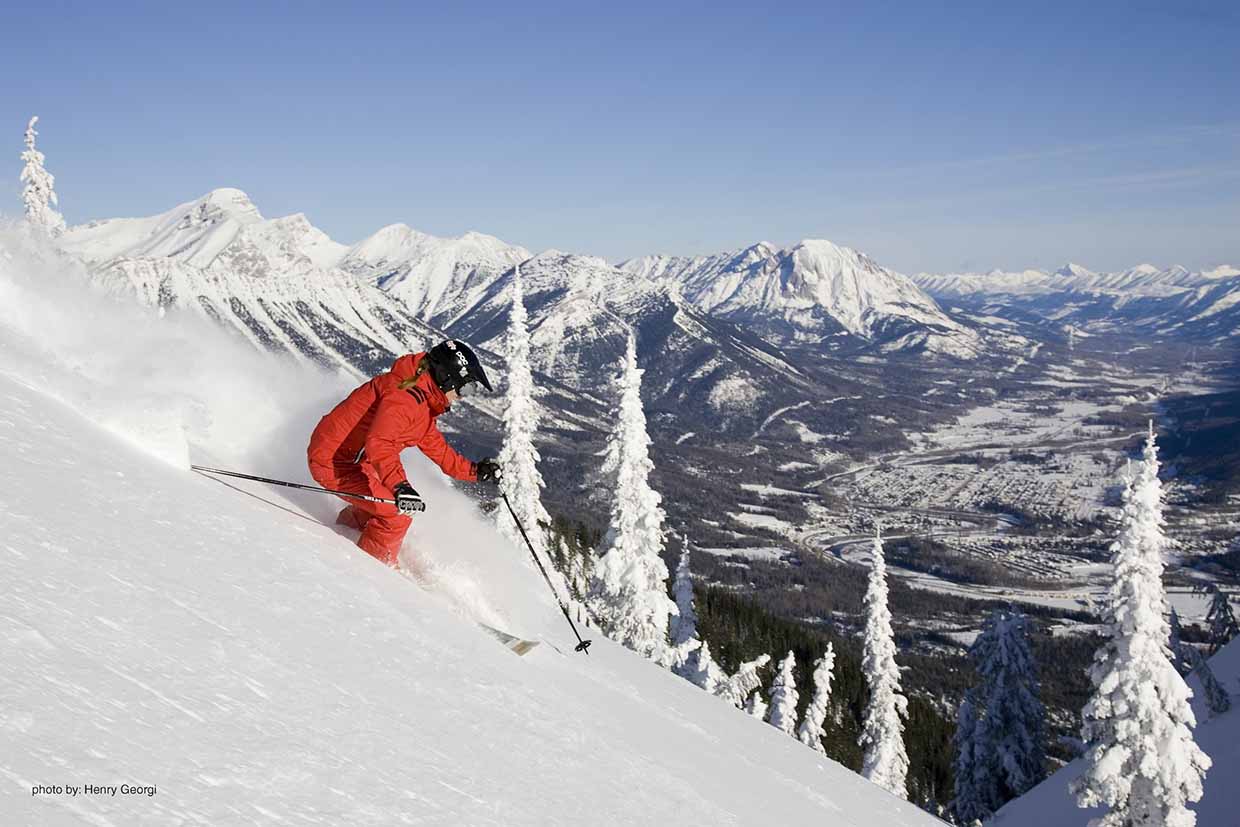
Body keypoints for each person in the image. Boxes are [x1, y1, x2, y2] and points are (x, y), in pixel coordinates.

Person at [307, 340, 503, 567]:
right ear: (447, 378)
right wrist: (400, 486)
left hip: (354, 460)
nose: (464, 396)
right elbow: (379, 443)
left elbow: (438, 450)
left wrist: (476, 471)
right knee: (397, 515)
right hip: (333, 461)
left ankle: (341, 532)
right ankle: (369, 573)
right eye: (466, 388)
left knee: (383, 504)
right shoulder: (406, 399)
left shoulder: (422, 401)